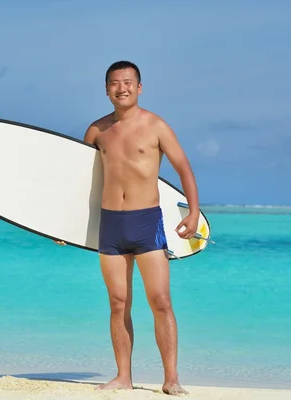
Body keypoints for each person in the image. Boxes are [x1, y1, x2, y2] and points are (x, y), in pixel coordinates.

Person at [57, 60, 200, 396]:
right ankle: (123, 376)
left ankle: (171, 378)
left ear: (139, 87)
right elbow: (83, 184)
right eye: (114, 83)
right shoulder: (96, 131)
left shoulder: (156, 126)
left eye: (127, 82)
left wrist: (192, 212)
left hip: (146, 222)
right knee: (118, 302)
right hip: (110, 225)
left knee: (161, 301)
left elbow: (184, 168)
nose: (121, 88)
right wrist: (62, 224)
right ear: (106, 89)